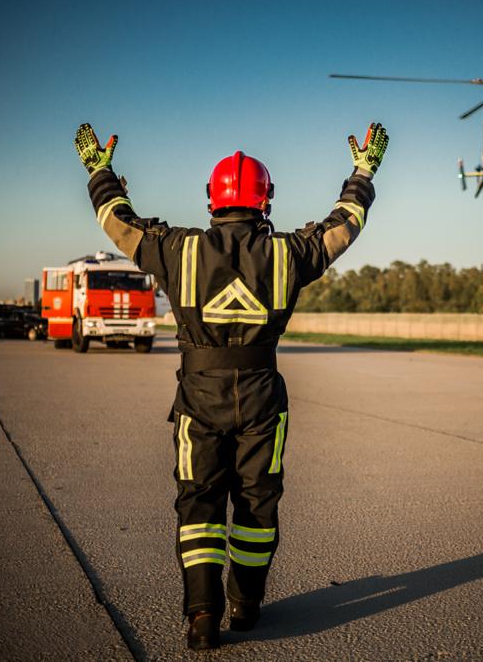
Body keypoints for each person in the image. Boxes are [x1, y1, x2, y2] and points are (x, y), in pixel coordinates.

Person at [75, 121, 387, 650]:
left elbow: (117, 223)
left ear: (211, 200)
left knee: (198, 503)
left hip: (199, 398)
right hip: (263, 399)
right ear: (266, 200)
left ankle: (202, 616)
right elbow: (344, 225)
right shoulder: (289, 253)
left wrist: (100, 171)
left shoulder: (177, 249)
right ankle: (246, 605)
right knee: (257, 505)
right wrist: (362, 172)